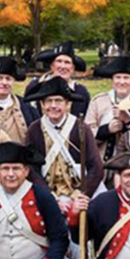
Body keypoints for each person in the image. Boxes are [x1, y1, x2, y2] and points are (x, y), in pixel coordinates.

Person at [23, 77, 104, 216]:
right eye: (49, 101)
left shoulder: (81, 128)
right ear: (42, 104)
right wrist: (50, 198)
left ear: (67, 104)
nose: (53, 106)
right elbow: (31, 169)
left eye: (58, 101)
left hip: (79, 192)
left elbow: (96, 167)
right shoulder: (34, 129)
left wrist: (80, 196)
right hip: (47, 192)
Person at [87, 56, 130, 163]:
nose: (121, 82)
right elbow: (86, 135)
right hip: (102, 163)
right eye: (118, 77)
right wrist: (107, 130)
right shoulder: (98, 101)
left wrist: (129, 122)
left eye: (126, 78)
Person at [27, 41, 92, 118]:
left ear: (73, 68)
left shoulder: (81, 92)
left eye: (67, 62)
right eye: (59, 61)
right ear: (52, 65)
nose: (62, 66)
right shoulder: (35, 86)